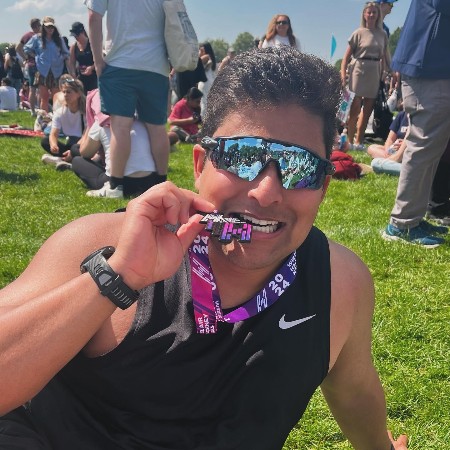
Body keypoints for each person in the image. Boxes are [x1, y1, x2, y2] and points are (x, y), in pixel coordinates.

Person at [0, 46, 408, 450]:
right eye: (242, 157)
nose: (266, 192)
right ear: (199, 165)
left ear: (323, 188)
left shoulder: (339, 285)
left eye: (299, 167)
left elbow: (354, 390)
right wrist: (117, 277)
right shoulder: (98, 243)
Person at [382, 0, 450, 247]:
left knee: (430, 145)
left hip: (432, 61)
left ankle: (413, 217)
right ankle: (402, 223)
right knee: (424, 143)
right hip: (428, 62)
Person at [85, 0, 170, 198]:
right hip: (156, 65)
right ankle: (161, 186)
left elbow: (94, 17)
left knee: (120, 127)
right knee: (157, 129)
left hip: (120, 62)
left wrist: (98, 61)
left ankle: (116, 186)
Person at [340, 2, 390, 150]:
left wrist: (388, 72)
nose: (371, 15)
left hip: (374, 71)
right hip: (358, 69)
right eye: (369, 12)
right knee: (355, 107)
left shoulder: (382, 34)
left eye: (374, 12)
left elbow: (385, 57)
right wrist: (343, 74)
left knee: (368, 109)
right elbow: (346, 57)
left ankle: (359, 141)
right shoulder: (358, 33)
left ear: (378, 15)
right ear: (364, 14)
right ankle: (350, 140)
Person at [23, 16, 73, 113]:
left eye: (52, 27)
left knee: (56, 97)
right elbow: (26, 48)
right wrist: (36, 56)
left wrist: (69, 69)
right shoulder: (37, 38)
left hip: (56, 71)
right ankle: (44, 118)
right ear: (43, 27)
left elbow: (66, 53)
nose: (50, 29)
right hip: (43, 71)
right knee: (44, 97)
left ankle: (57, 117)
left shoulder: (59, 39)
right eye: (48, 26)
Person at [40, 77, 85, 170]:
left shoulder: (85, 112)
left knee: (76, 149)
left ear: (78, 94)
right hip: (70, 144)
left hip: (83, 143)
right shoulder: (60, 112)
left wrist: (73, 151)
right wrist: (53, 145)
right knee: (45, 141)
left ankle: (62, 160)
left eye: (69, 92)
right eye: (64, 92)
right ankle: (66, 160)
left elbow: (86, 135)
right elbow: (53, 133)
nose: (65, 95)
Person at [368, 110, 408, 175]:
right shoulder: (401, 115)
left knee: (375, 163)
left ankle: (388, 163)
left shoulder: (418, 118)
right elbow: (390, 139)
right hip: (395, 151)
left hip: (408, 151)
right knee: (372, 148)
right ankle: (391, 161)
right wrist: (388, 151)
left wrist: (403, 145)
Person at [16, 17, 42, 116]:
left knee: (32, 88)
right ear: (37, 26)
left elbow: (18, 48)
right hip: (39, 64)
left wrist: (25, 58)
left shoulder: (26, 36)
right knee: (41, 88)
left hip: (30, 64)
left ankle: (32, 111)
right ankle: (40, 109)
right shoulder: (39, 36)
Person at [68, 21, 97, 94]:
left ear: (82, 32)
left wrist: (91, 67)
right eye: (74, 36)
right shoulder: (74, 47)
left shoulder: (92, 43)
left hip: (94, 77)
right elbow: (71, 63)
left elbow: (100, 59)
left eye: (77, 35)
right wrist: (73, 75)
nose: (76, 37)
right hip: (81, 78)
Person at [197, 42, 216, 112]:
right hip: (210, 81)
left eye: (201, 48)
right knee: (207, 103)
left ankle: (203, 117)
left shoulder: (206, 56)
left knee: (203, 102)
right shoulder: (210, 57)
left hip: (205, 83)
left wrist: (199, 53)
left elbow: (196, 62)